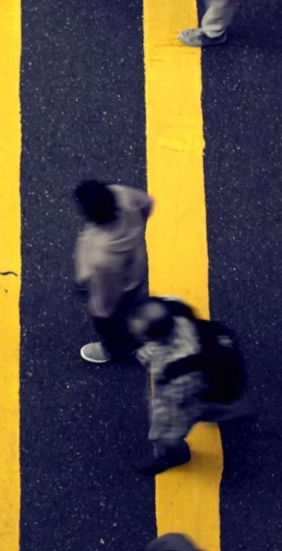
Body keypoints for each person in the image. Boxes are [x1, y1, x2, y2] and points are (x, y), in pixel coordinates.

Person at [129, 298, 252, 475]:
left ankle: (174, 456)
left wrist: (163, 427)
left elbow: (177, 402)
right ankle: (232, 410)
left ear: (153, 338)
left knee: (165, 435)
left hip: (189, 393)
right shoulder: (176, 310)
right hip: (204, 383)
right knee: (205, 407)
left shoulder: (179, 368)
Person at [75, 181, 153, 364]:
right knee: (131, 305)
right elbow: (147, 203)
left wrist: (100, 311)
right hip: (135, 269)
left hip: (119, 286)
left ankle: (115, 350)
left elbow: (108, 297)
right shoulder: (121, 195)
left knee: (112, 325)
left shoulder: (103, 258)